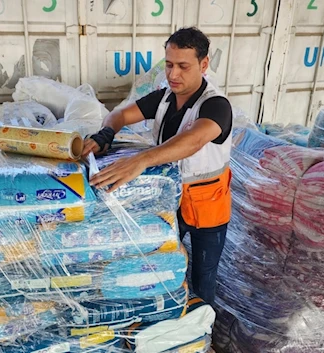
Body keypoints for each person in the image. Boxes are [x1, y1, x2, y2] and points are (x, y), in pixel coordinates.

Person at [82, 27, 233, 305]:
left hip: (206, 208)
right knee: (163, 265)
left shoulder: (216, 105)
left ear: (203, 64)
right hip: (168, 201)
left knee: (203, 276)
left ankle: (203, 334)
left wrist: (141, 160)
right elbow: (119, 114)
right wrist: (106, 133)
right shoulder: (164, 97)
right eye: (169, 64)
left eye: (183, 67)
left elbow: (194, 140)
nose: (173, 74)